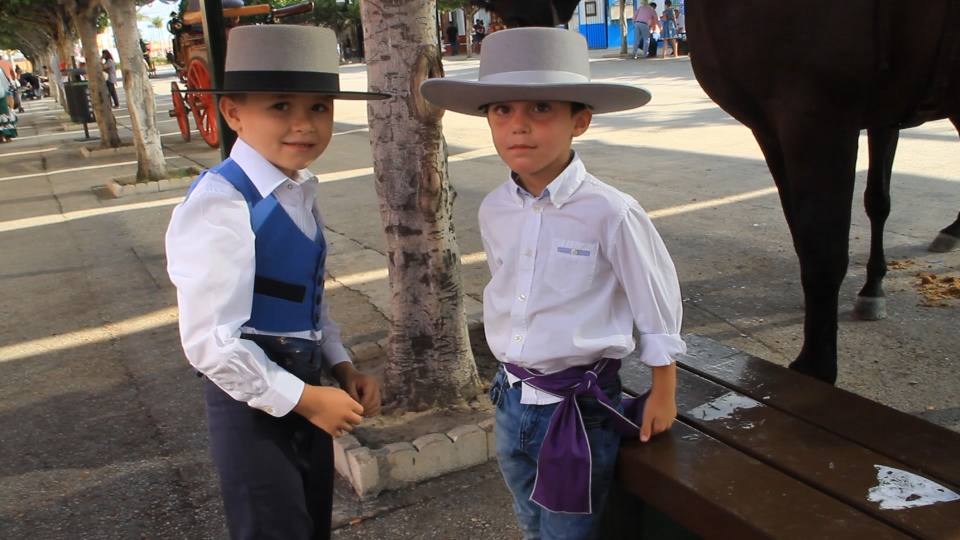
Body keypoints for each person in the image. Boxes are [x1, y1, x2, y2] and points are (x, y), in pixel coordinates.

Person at [421, 27, 684, 540]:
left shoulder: (610, 212)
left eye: (541, 107)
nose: (518, 126)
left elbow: (656, 303)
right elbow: (512, 287)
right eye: (502, 110)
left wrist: (663, 390)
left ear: (578, 120)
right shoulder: (494, 208)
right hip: (510, 395)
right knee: (529, 519)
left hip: (576, 410)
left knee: (569, 532)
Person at [165, 25, 387, 540]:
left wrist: (341, 364)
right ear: (233, 113)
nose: (304, 125)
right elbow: (210, 344)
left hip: (304, 388)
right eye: (281, 106)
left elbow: (307, 301)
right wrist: (308, 400)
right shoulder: (221, 204)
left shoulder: (297, 188)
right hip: (253, 406)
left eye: (319, 108)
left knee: (309, 522)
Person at [0, 67, 18, 142]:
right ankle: (6, 136)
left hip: (1, 95)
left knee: (3, 115)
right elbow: (6, 84)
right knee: (4, 114)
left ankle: (4, 136)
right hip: (1, 94)